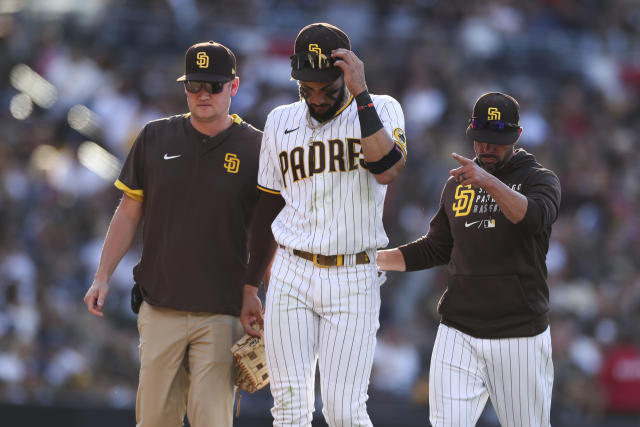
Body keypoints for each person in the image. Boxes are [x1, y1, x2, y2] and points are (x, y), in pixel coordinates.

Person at [82, 41, 262, 427]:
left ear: (233, 86)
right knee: (154, 422)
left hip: (221, 309)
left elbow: (270, 230)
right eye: (194, 84)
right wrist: (102, 276)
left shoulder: (257, 147)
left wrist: (257, 292)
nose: (202, 94)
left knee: (211, 420)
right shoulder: (153, 137)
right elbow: (128, 213)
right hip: (160, 305)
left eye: (213, 86)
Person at [240, 23, 407, 426]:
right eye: (306, 87)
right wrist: (250, 285)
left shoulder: (381, 108)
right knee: (290, 410)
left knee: (344, 411)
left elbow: (386, 169)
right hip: (290, 272)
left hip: (352, 274)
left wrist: (360, 93)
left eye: (326, 88)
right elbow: (267, 207)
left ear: (346, 74)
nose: (316, 97)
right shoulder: (280, 120)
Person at [377, 92, 561, 427]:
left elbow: (533, 218)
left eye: (497, 141)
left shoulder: (540, 179)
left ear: (517, 136)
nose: (487, 148)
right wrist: (372, 260)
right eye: (481, 140)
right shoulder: (457, 184)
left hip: (518, 332)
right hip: (458, 330)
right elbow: (435, 248)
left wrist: (487, 181)